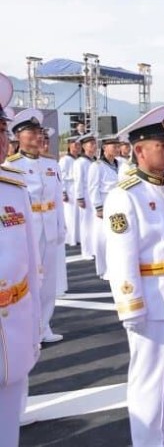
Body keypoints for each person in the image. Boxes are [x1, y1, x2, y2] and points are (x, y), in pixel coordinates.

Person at [104, 105, 164, 447]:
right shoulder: (125, 195)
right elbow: (121, 256)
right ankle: (148, 442)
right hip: (152, 298)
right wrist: (130, 304)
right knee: (149, 379)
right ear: (140, 150)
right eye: (162, 145)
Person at [0, 75, 42, 442]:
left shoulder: (13, 188)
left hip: (12, 326)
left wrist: (34, 328)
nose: (2, 140)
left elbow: (30, 264)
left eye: (2, 130)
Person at [6, 109, 66, 344]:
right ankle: (29, 328)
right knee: (30, 281)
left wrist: (61, 226)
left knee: (48, 282)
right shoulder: (12, 165)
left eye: (39, 132)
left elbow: (58, 198)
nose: (37, 136)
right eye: (31, 132)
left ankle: (44, 325)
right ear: (17, 136)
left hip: (49, 227)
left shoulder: (51, 164)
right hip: (26, 231)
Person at [88, 134, 122, 279]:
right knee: (103, 239)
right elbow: (93, 188)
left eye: (118, 146)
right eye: (114, 146)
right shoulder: (97, 166)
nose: (117, 149)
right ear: (104, 148)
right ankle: (104, 269)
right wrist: (98, 207)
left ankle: (116, 267)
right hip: (105, 203)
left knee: (118, 236)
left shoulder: (120, 164)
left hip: (119, 203)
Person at [73, 132, 97, 260]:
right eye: (91, 144)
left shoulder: (95, 161)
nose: (94, 146)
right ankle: (86, 251)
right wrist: (80, 197)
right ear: (84, 146)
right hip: (86, 195)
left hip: (94, 195)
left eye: (95, 144)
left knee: (94, 223)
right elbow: (78, 181)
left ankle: (94, 248)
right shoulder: (80, 162)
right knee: (86, 224)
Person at [59, 136, 81, 247]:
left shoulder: (79, 159)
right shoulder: (65, 160)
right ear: (69, 146)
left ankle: (77, 237)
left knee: (78, 215)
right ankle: (70, 239)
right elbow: (61, 176)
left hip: (77, 188)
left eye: (78, 145)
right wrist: (63, 192)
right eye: (74, 145)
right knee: (70, 215)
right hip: (69, 189)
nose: (77, 147)